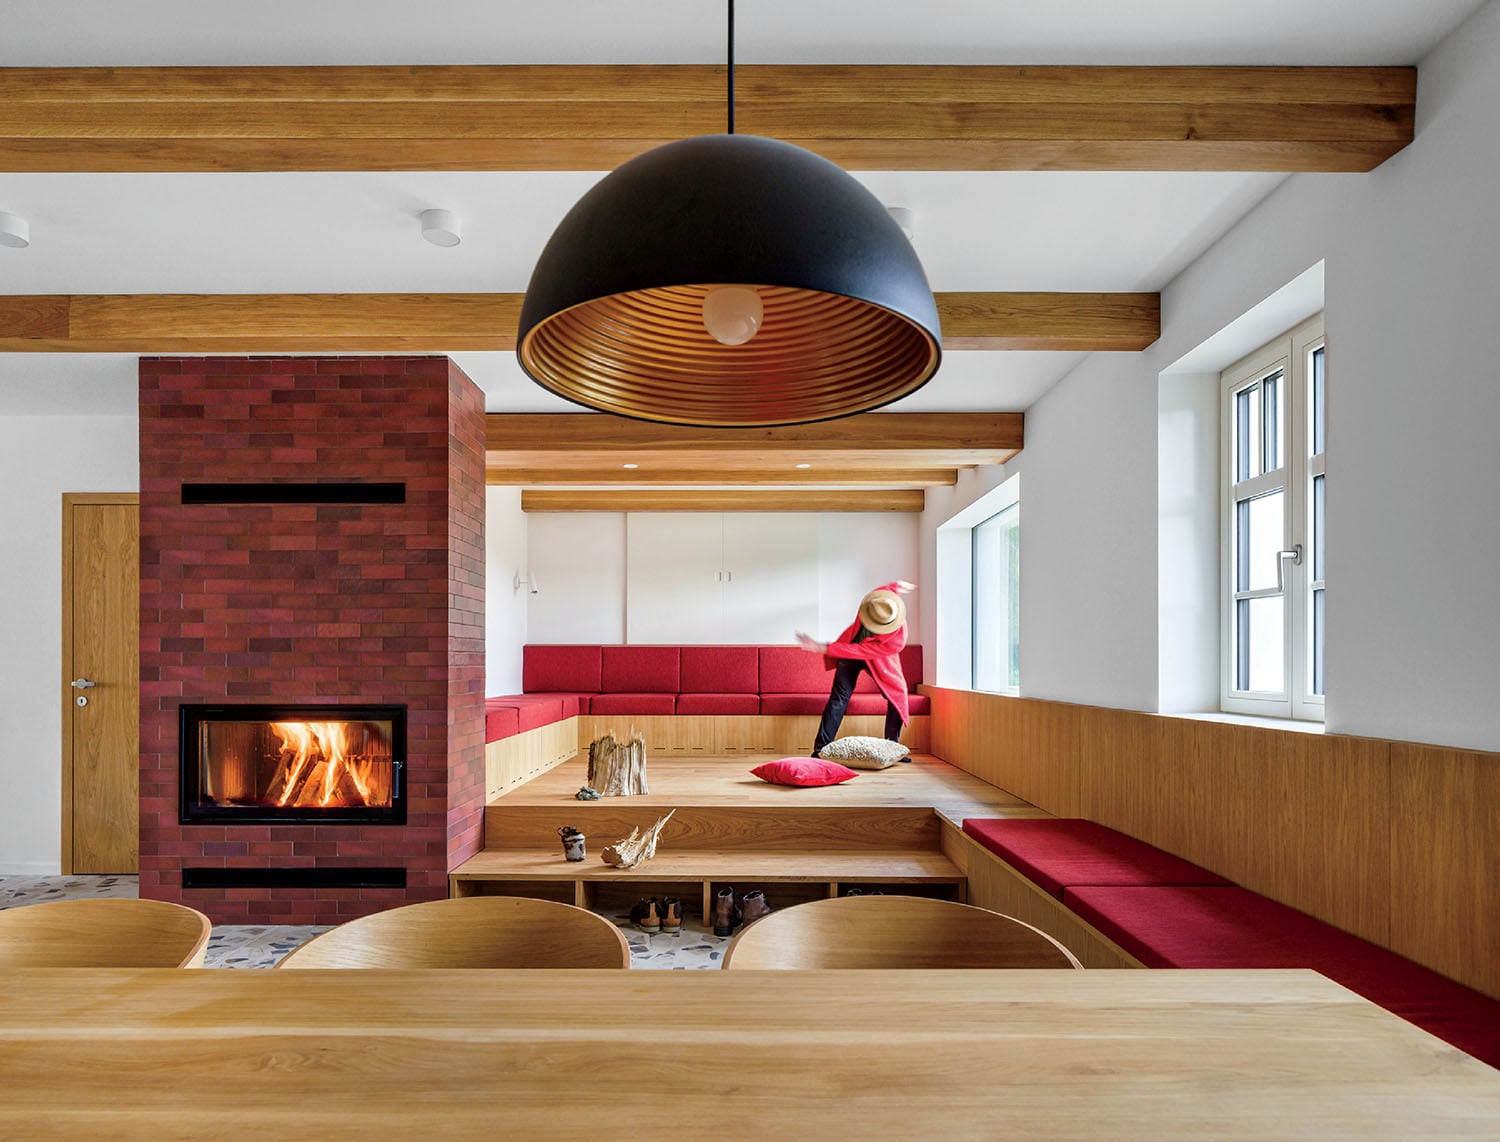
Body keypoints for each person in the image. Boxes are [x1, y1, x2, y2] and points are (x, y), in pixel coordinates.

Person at [796, 580, 916, 757]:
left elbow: (861, 651)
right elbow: (885, 591)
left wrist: (824, 647)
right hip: (849, 648)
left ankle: (892, 749)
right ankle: (821, 750)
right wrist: (896, 585)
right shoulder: (875, 602)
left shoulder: (896, 640)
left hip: (877, 657)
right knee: (839, 698)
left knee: (898, 696)